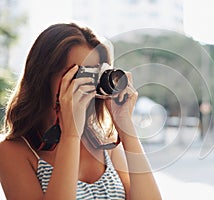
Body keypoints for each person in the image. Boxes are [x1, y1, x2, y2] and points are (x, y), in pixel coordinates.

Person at [0, 23, 161, 200]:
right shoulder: (13, 150)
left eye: (94, 74)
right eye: (78, 74)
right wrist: (71, 134)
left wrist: (125, 126)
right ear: (43, 77)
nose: (87, 85)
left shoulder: (103, 143)